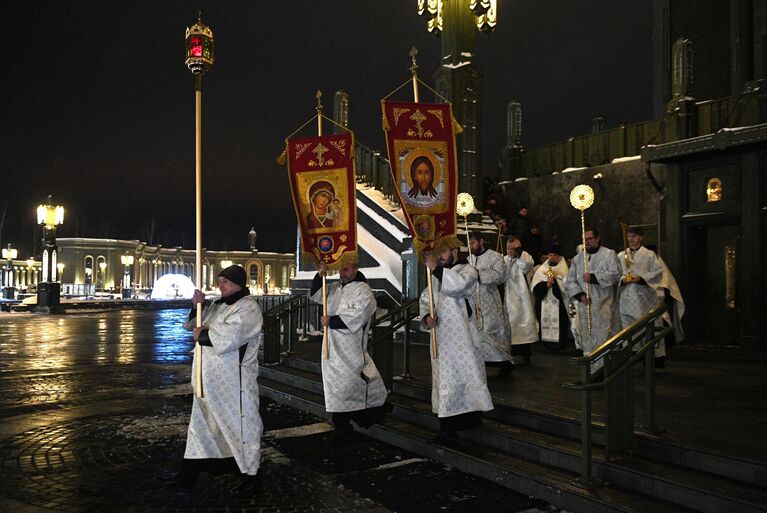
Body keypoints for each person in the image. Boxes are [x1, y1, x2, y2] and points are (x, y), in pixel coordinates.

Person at [180, 265, 263, 493]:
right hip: (208, 382)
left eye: (225, 281)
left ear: (238, 283)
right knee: (204, 426)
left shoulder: (248, 308)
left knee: (240, 428)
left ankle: (250, 474)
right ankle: (193, 471)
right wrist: (198, 304)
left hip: (234, 385)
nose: (220, 284)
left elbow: (232, 335)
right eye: (220, 280)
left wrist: (204, 335)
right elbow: (192, 325)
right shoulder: (217, 305)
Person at [421, 238, 493, 444]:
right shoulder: (435, 276)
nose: (439, 257)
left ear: (455, 251)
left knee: (465, 376)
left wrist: (435, 268)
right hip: (441, 339)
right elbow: (426, 298)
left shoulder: (468, 271)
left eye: (442, 253)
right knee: (446, 380)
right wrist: (427, 316)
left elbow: (457, 286)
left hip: (463, 339)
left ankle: (466, 420)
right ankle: (448, 427)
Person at [309, 260, 387, 440]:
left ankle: (358, 420)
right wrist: (320, 274)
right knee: (337, 389)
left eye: (345, 269)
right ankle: (342, 425)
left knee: (348, 386)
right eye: (340, 271)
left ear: (355, 269)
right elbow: (315, 295)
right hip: (331, 349)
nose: (342, 274)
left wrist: (333, 321)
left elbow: (360, 314)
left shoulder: (363, 290)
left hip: (350, 349)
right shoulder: (335, 287)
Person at [565, 229, 621, 359]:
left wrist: (594, 278)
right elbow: (570, 280)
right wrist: (580, 296)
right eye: (584, 240)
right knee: (588, 340)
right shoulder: (578, 259)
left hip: (603, 306)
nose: (587, 242)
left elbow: (615, 274)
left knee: (603, 338)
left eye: (590, 239)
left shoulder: (609, 254)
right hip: (585, 307)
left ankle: (603, 370)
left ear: (597, 238)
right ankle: (590, 372)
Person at [617, 227, 665, 366]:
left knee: (645, 326)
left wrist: (641, 278)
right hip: (626, 297)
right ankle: (630, 357)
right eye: (629, 236)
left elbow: (658, 273)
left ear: (641, 238)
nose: (631, 239)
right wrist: (622, 279)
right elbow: (616, 274)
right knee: (628, 328)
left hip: (644, 297)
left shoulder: (649, 255)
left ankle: (649, 359)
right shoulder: (621, 255)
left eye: (634, 236)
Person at [469, 232, 514, 377]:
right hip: (474, 302)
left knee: (493, 330)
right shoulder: (470, 259)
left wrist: (479, 275)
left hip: (490, 301)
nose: (471, 246)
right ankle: (483, 361)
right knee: (477, 333)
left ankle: (503, 361)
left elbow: (501, 276)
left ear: (481, 241)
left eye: (474, 242)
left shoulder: (495, 256)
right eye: (469, 243)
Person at [504, 236, 540, 364]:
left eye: (512, 249)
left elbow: (526, 266)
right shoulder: (504, 260)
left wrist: (519, 253)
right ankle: (511, 353)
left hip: (522, 298)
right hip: (508, 297)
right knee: (511, 325)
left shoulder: (524, 257)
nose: (509, 251)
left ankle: (525, 354)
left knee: (523, 324)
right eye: (508, 248)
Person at [531, 242, 571, 352]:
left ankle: (559, 345)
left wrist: (555, 282)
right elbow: (535, 285)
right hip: (545, 301)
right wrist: (546, 285)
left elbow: (566, 286)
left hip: (559, 303)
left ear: (559, 256)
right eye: (550, 255)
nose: (552, 257)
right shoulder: (542, 269)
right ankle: (548, 345)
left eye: (554, 255)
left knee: (560, 322)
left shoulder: (563, 269)